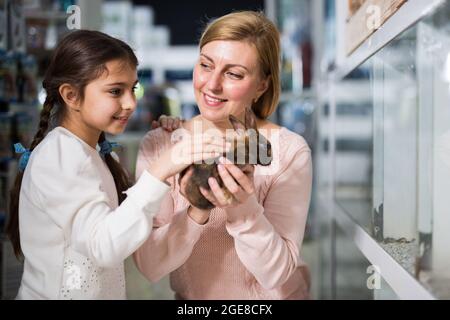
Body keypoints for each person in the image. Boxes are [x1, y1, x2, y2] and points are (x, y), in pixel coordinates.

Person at [6, 30, 226, 300]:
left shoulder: (89, 152)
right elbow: (104, 247)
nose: (130, 103)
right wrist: (161, 169)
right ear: (71, 95)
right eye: (115, 91)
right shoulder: (60, 155)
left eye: (132, 89)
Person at [134, 11, 313, 299]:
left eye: (233, 74)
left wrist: (242, 207)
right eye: (206, 65)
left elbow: (276, 274)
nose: (212, 84)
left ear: (262, 85)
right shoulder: (161, 145)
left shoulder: (289, 151)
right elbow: (150, 267)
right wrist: (197, 208)